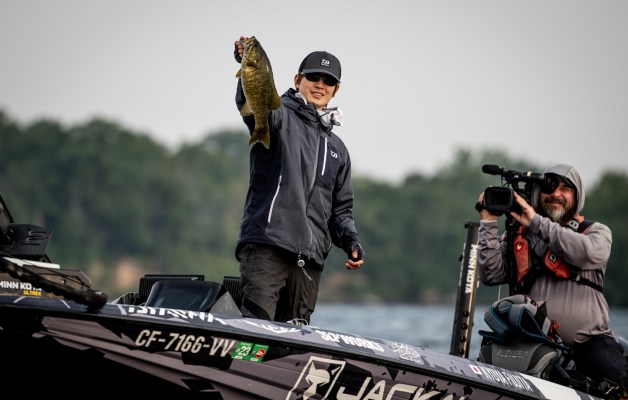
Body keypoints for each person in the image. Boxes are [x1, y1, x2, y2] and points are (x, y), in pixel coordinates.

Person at [232, 36, 365, 325]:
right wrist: (247, 68)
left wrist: (351, 240)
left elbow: (341, 210)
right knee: (254, 332)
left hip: (309, 261)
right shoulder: (279, 116)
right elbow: (254, 105)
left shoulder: (338, 149)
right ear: (297, 79)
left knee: (291, 343)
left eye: (328, 81)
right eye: (313, 77)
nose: (320, 85)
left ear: (336, 89)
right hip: (267, 246)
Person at [475, 163, 627, 392]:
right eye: (549, 188)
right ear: (538, 194)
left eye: (565, 189)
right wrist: (488, 222)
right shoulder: (520, 234)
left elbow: (586, 253)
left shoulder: (596, 232)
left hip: (588, 345)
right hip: (530, 342)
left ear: (577, 197)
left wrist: (536, 222)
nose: (556, 194)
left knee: (618, 378)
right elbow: (490, 274)